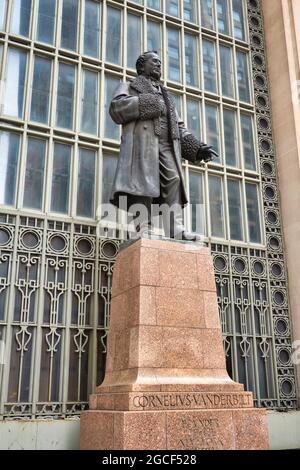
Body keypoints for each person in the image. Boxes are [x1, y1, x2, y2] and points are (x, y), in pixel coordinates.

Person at [109, 51, 218, 241]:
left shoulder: (167, 96)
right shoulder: (128, 86)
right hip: (143, 145)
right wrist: (148, 103)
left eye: (160, 62)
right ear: (142, 66)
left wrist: (197, 148)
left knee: (174, 179)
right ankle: (143, 225)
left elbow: (179, 127)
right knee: (143, 183)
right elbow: (117, 109)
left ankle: (175, 228)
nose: (159, 65)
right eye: (154, 61)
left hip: (167, 144)